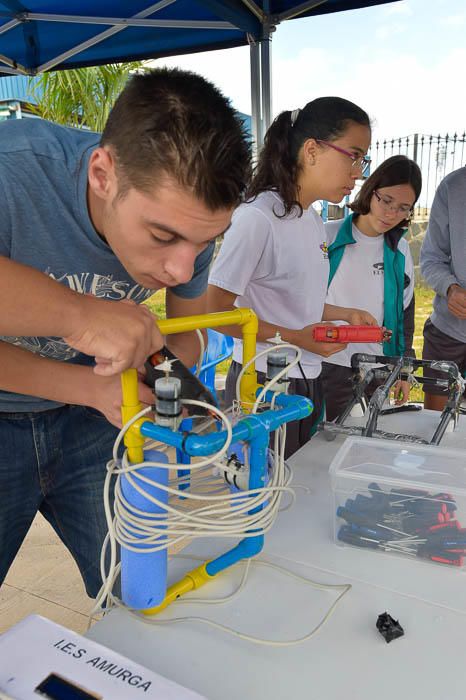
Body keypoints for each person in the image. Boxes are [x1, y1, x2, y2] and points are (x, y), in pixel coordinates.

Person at [0, 67, 251, 597]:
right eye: (163, 236)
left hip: (92, 419)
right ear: (102, 174)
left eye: (205, 243)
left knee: (136, 587)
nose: (182, 269)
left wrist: (167, 384)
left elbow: (185, 334)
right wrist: (80, 316)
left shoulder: (188, 225)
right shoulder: (12, 170)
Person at [207, 97, 374, 458]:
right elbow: (217, 310)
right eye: (354, 155)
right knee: (261, 495)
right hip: (265, 381)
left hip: (307, 376)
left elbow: (293, 295)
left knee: (294, 489)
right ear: (312, 150)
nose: (358, 172)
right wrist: (297, 338)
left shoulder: (310, 218)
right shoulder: (258, 218)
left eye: (363, 160)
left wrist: (342, 313)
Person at [321, 155, 421, 421]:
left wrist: (402, 369)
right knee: (322, 451)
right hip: (328, 364)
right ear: (370, 190)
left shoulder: (399, 248)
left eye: (403, 208)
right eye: (386, 201)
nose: (391, 214)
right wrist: (346, 315)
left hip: (378, 369)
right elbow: (299, 303)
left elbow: (405, 314)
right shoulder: (326, 236)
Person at [0, 256, 163, 376]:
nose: (183, 274)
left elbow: (182, 346)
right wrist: (84, 315)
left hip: (101, 390)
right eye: (161, 236)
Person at [420, 166, 466, 411]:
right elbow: (431, 258)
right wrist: (450, 288)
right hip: (447, 333)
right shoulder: (453, 186)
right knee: (434, 425)